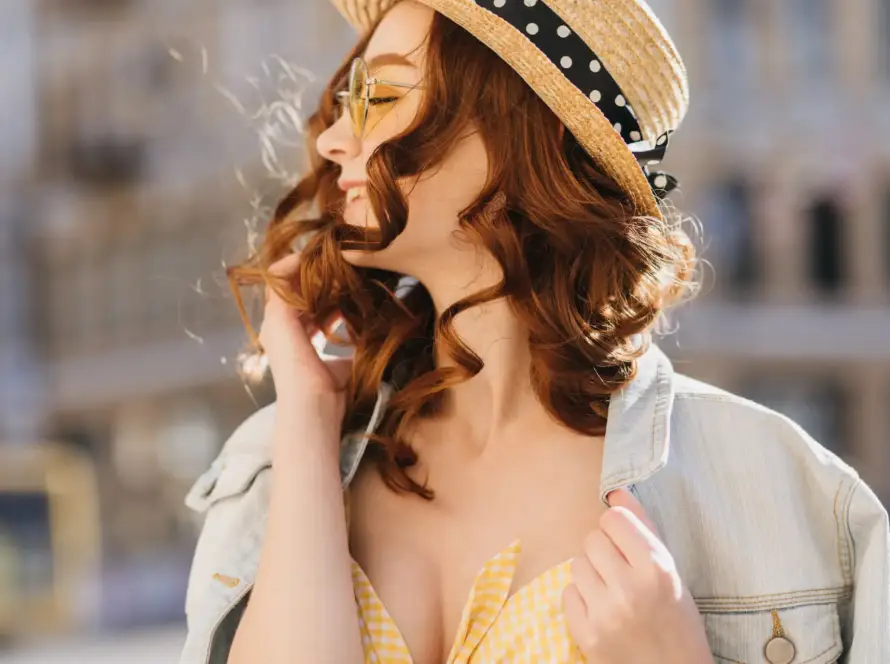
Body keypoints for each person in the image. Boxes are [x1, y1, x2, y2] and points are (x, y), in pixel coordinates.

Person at [179, 1, 890, 663]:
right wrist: (307, 417)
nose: (333, 140)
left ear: (519, 124)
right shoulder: (277, 467)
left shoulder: (779, 485)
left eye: (381, 96)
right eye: (344, 102)